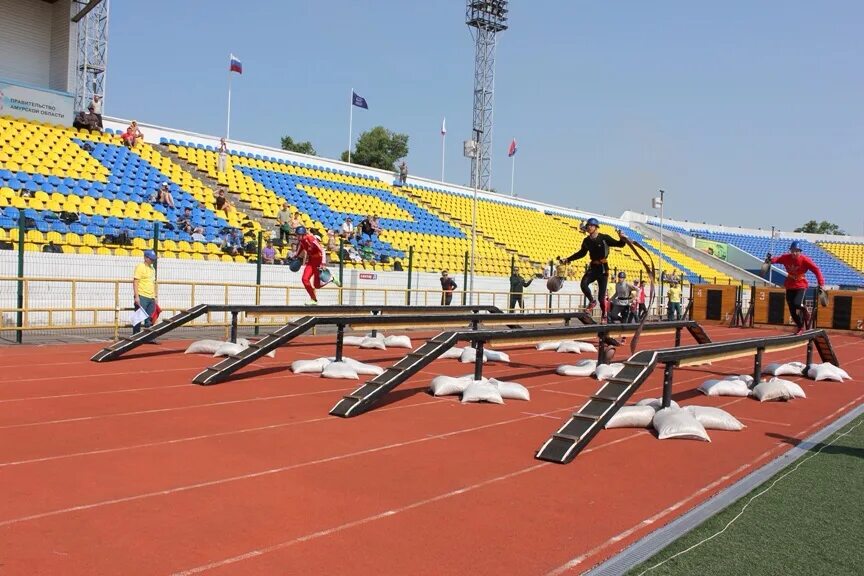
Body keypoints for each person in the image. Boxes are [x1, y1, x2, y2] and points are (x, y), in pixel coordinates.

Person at [562, 217, 628, 322]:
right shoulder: (586, 241)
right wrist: (568, 259)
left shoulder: (604, 238)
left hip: (603, 269)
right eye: (587, 226)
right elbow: (581, 253)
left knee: (602, 298)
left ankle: (604, 314)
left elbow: (620, 244)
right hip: (593, 268)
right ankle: (592, 301)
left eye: (590, 225)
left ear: (596, 227)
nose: (588, 227)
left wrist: (622, 238)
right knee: (583, 284)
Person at [767, 241, 825, 335]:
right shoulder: (786, 257)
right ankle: (800, 327)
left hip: (800, 285)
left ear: (800, 251)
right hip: (790, 285)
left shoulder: (805, 260)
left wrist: (821, 282)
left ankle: (805, 310)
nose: (794, 253)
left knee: (797, 303)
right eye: (792, 250)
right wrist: (770, 260)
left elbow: (816, 269)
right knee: (791, 309)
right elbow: (776, 259)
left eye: (796, 251)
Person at [290, 225, 340, 304]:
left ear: (303, 234)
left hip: (318, 261)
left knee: (316, 285)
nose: (297, 236)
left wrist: (323, 263)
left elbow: (322, 250)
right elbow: (301, 248)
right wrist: (296, 255)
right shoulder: (301, 240)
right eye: (296, 234)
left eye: (298, 235)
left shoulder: (311, 239)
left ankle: (331, 278)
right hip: (311, 261)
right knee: (305, 279)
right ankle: (313, 299)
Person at [132, 250, 158, 335]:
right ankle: (135, 335)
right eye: (151, 259)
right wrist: (137, 296)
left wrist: (155, 296)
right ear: (146, 258)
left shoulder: (152, 269)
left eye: (154, 259)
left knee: (150, 319)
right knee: (138, 317)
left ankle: (149, 336)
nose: (153, 260)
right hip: (142, 295)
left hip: (151, 297)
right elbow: (135, 282)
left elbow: (153, 283)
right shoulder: (140, 267)